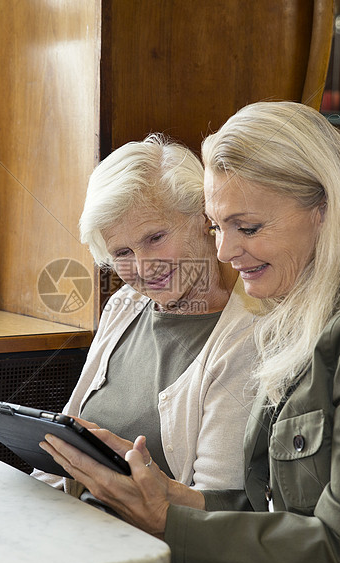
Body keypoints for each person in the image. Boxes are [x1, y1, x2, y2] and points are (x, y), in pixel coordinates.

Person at [40, 102, 340, 563]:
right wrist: (170, 497)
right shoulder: (301, 315)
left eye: (248, 227)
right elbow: (278, 518)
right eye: (219, 226)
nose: (223, 250)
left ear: (324, 209)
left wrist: (168, 522)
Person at [32, 134, 261, 496]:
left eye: (155, 237)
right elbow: (62, 450)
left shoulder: (251, 329)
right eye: (122, 251)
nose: (143, 266)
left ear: (204, 217)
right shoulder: (125, 304)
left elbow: (217, 502)